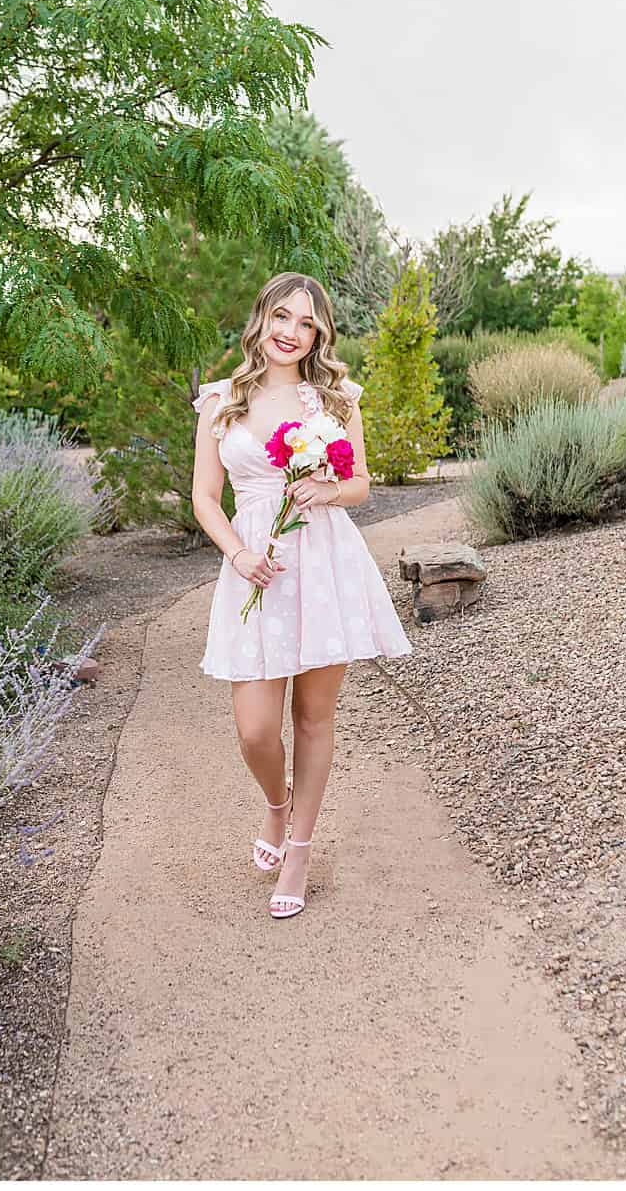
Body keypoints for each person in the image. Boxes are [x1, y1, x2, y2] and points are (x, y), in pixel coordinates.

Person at [190, 271, 412, 920]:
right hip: (254, 565)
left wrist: (327, 490)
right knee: (256, 728)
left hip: (321, 561)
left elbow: (360, 483)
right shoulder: (222, 399)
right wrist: (238, 552)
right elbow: (206, 495)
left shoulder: (334, 398)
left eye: (306, 323)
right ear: (261, 319)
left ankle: (300, 851)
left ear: (319, 333)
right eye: (282, 317)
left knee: (314, 716)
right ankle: (277, 806)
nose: (292, 332)